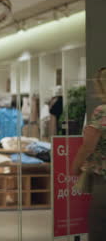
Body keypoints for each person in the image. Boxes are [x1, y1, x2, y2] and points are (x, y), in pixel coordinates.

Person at [71, 67, 106, 241]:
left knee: (99, 228)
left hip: (103, 179)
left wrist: (75, 166)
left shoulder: (102, 111)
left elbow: (88, 145)